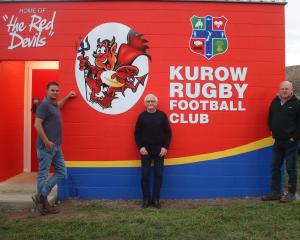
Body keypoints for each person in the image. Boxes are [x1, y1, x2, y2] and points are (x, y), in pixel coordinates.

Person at [32, 82, 76, 215]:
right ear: (47, 91)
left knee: (62, 172)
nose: (55, 93)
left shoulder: (53, 105)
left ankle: (41, 196)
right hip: (46, 147)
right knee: (43, 175)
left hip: (56, 146)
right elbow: (37, 124)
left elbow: (59, 105)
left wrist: (67, 96)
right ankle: (44, 204)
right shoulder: (43, 105)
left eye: (57, 91)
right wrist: (46, 141)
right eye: (53, 90)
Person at [262, 81, 300, 203]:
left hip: (291, 143)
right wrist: (271, 129)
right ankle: (276, 193)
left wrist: (294, 136)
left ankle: (291, 193)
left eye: (286, 89)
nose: (284, 91)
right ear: (280, 89)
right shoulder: (275, 101)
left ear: (291, 90)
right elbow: (270, 116)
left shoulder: (297, 103)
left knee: (290, 167)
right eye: (282, 88)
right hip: (278, 142)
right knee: (274, 166)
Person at [134, 94, 172, 208]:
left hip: (159, 150)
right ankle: (146, 199)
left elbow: (168, 133)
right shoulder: (141, 116)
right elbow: (136, 133)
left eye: (152, 101)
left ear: (156, 103)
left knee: (158, 175)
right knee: (144, 175)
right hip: (145, 150)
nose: (150, 103)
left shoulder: (162, 115)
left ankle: (156, 199)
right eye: (148, 101)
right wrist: (140, 147)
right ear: (145, 103)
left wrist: (165, 147)